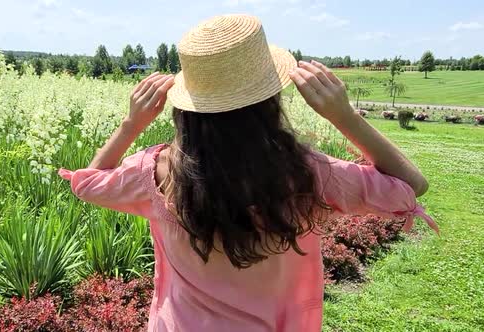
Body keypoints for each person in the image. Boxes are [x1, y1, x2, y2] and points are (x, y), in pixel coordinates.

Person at [59, 14, 438, 332]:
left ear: (187, 106)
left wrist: (131, 125)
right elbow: (411, 186)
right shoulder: (308, 174)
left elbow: (88, 183)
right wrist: (345, 117)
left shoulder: (154, 172)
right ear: (270, 99)